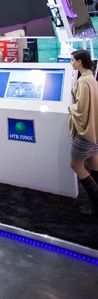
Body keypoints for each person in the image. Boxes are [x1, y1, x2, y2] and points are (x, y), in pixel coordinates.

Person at [69, 49, 98, 215]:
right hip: (94, 129)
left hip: (85, 130)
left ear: (80, 61)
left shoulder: (84, 81)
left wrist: (70, 108)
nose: (71, 63)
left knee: (76, 164)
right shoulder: (91, 78)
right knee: (94, 163)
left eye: (72, 60)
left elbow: (81, 108)